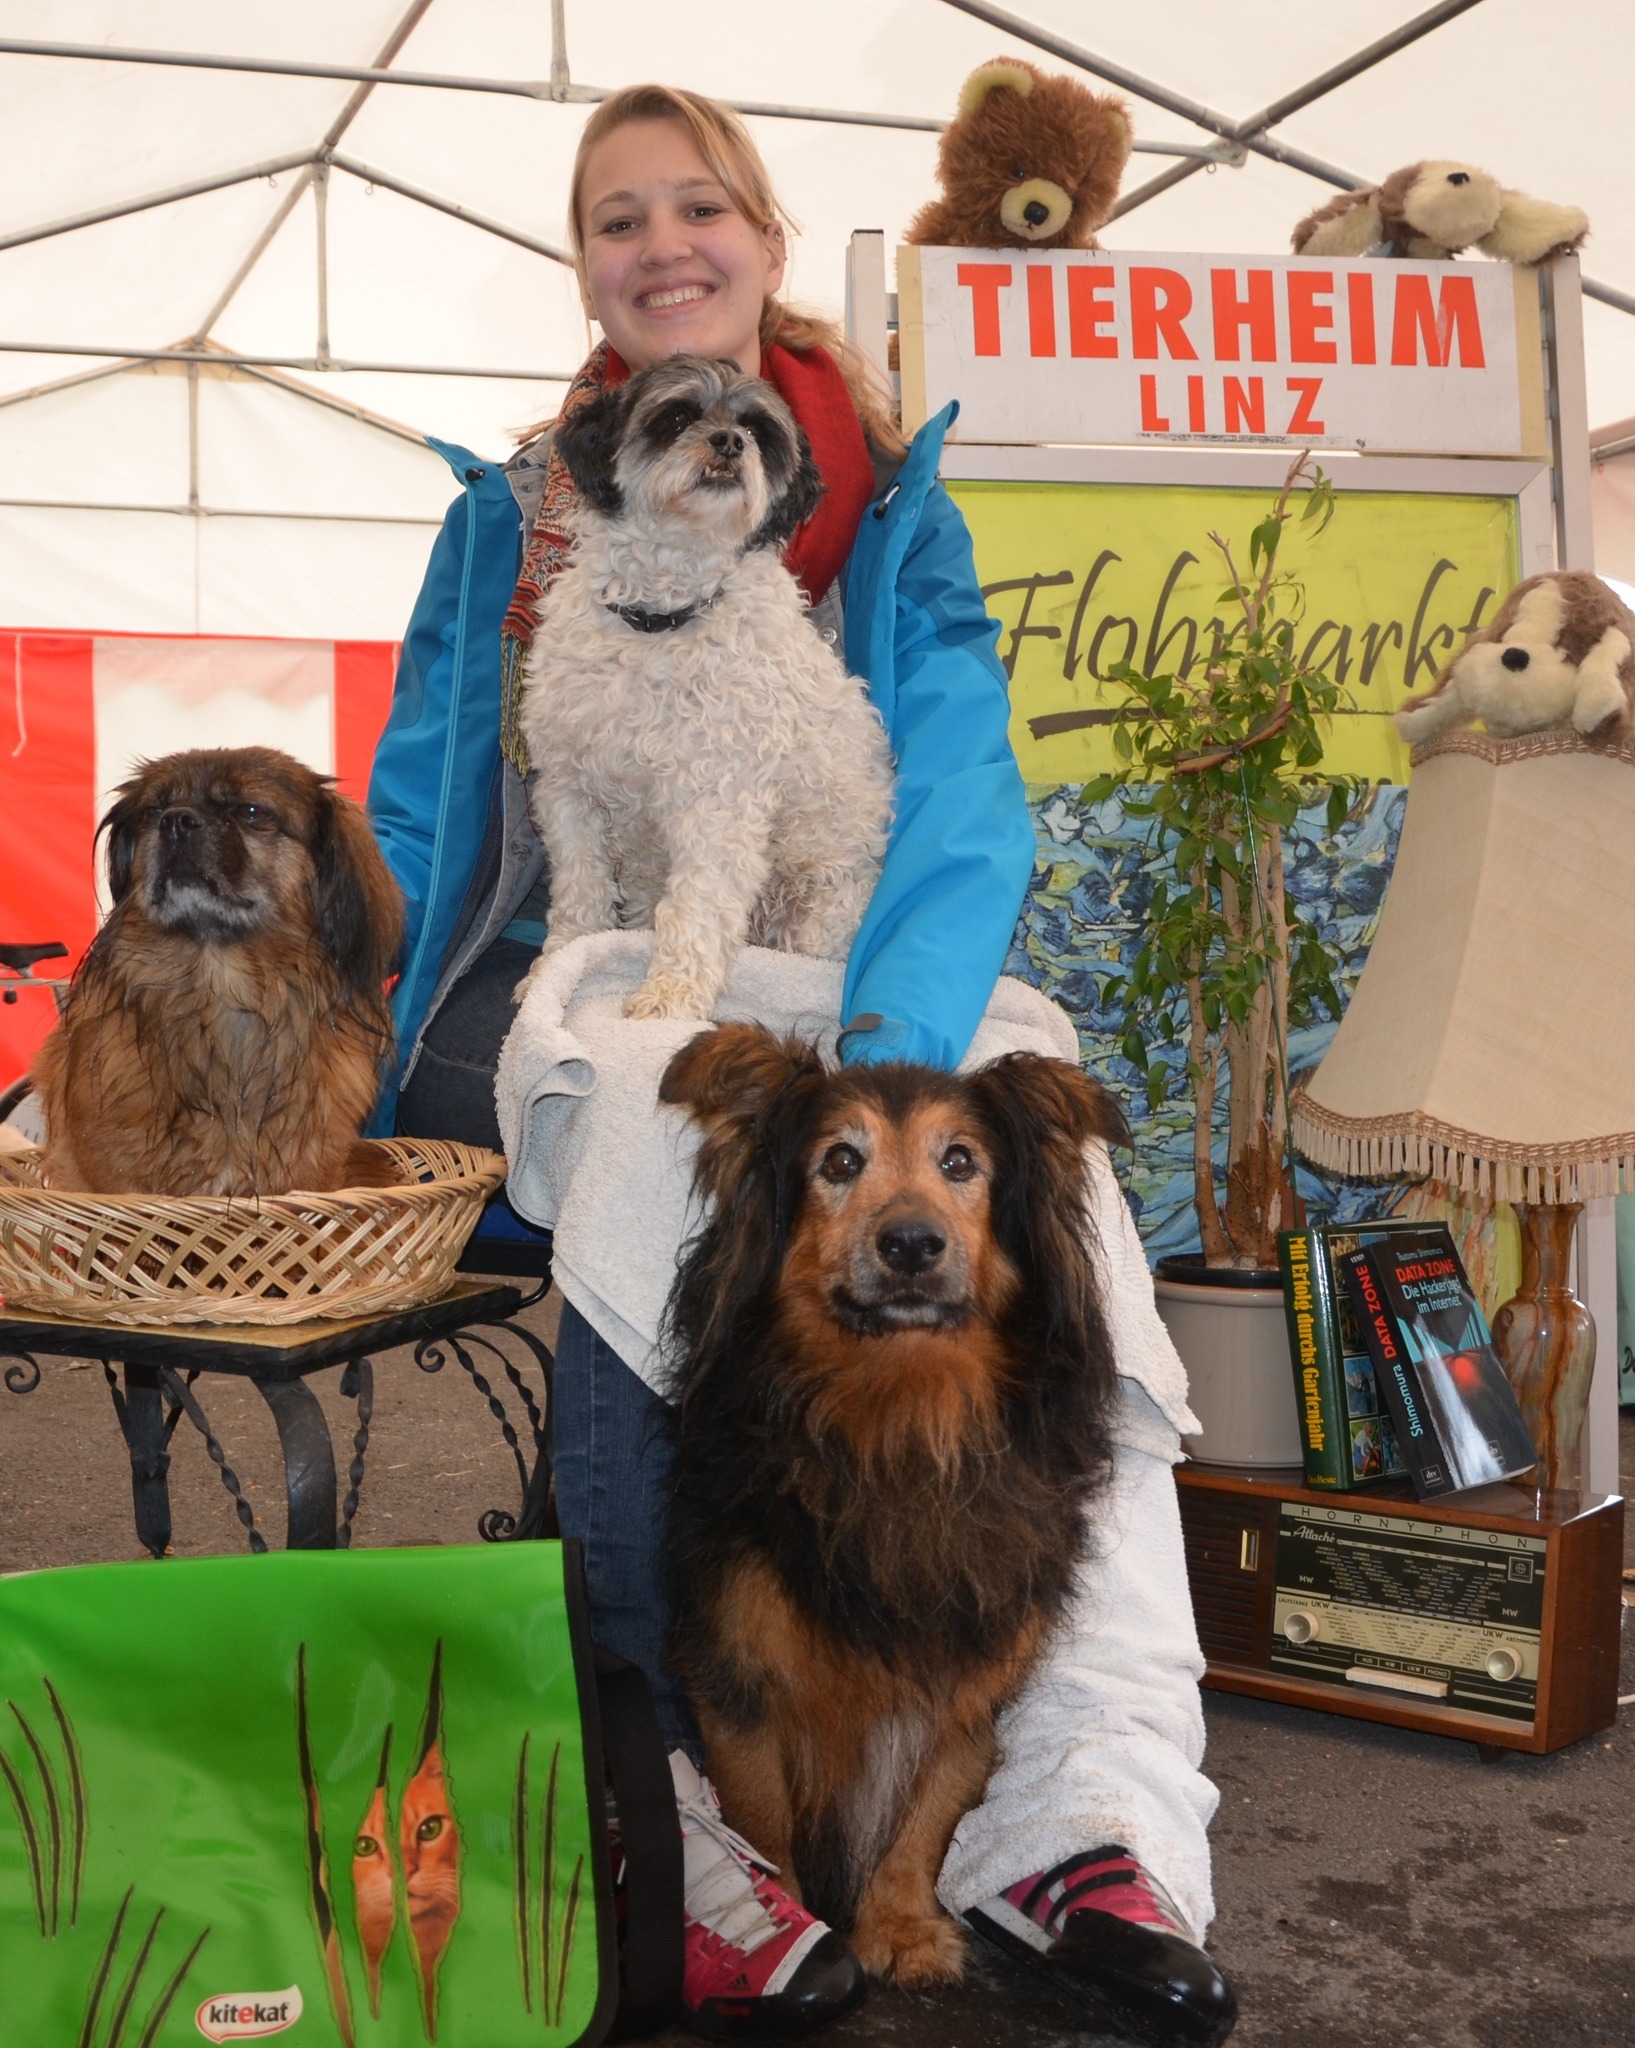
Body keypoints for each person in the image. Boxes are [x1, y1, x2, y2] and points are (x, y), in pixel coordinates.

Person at [368, 83, 1236, 2048]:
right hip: (573, 970)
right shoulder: (503, 512)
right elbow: (423, 806)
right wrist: (347, 1027)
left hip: (864, 957)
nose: (661, 242)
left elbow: (955, 791)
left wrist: (896, 1069)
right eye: (617, 218)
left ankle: (1082, 1817)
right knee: (657, 1108)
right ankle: (681, 1825)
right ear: (583, 265)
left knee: (1049, 1165)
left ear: (761, 241)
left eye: (698, 208)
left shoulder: (894, 503)